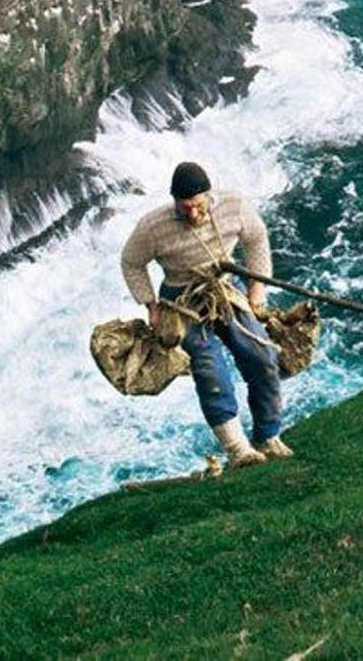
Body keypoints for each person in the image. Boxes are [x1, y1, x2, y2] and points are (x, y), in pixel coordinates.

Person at [120, 160, 291, 467]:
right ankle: (238, 449)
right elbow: (131, 262)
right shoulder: (152, 226)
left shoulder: (234, 205)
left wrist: (257, 288)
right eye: (185, 208)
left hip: (225, 289)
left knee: (262, 354)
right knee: (211, 368)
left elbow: (256, 239)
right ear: (175, 201)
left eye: (198, 206)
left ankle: (267, 436)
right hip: (181, 301)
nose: (193, 214)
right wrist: (150, 304)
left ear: (208, 196)